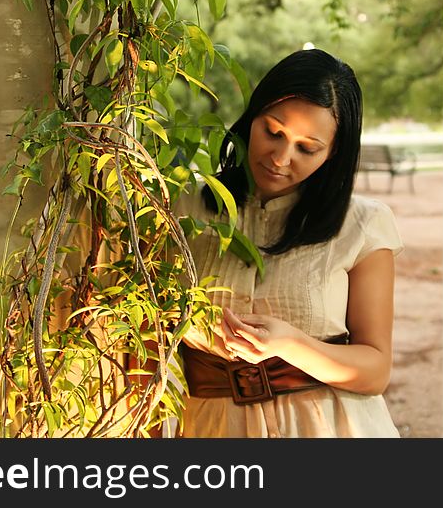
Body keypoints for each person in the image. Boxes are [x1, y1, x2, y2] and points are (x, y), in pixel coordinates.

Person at [171, 48, 403, 438]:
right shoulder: (181, 206)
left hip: (329, 428)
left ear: (333, 154)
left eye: (307, 148)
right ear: (251, 117)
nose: (280, 158)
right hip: (213, 428)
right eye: (273, 132)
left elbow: (375, 370)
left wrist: (292, 345)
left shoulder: (362, 225)